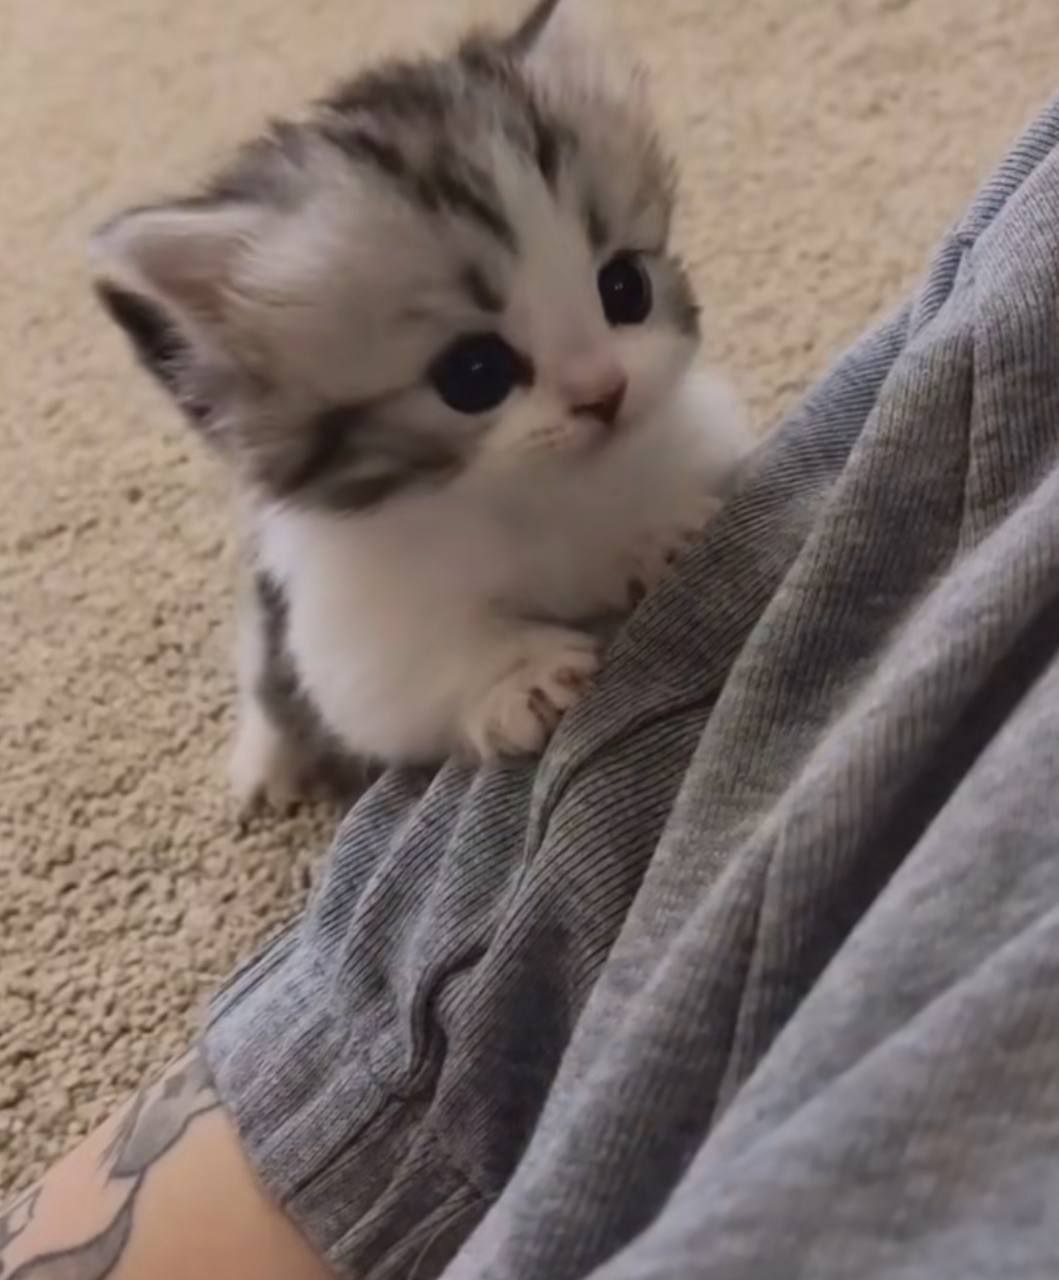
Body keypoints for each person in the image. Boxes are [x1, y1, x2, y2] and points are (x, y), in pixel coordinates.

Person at [6, 92, 1059, 1280]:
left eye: (619, 289)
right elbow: (371, 688)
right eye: (475, 368)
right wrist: (479, 676)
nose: (601, 382)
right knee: (298, 709)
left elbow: (720, 462)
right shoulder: (360, 554)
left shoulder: (637, 410)